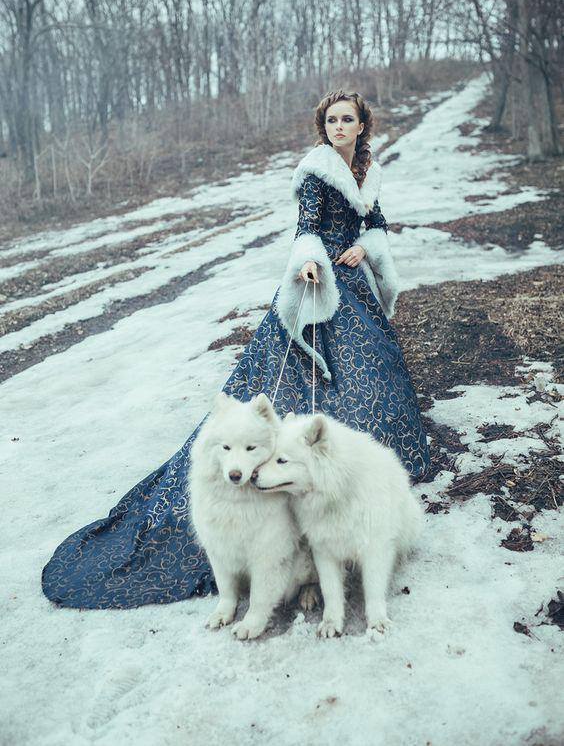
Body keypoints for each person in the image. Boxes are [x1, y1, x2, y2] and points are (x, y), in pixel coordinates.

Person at [42, 89, 432, 609]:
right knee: (307, 376)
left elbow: (376, 222)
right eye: (332, 120)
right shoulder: (315, 171)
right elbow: (306, 228)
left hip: (355, 279)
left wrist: (366, 245)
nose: (339, 126)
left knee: (374, 374)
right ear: (324, 126)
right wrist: (308, 262)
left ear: (362, 125)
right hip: (320, 283)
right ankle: (294, 472)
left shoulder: (367, 170)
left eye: (348, 119)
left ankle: (362, 475)